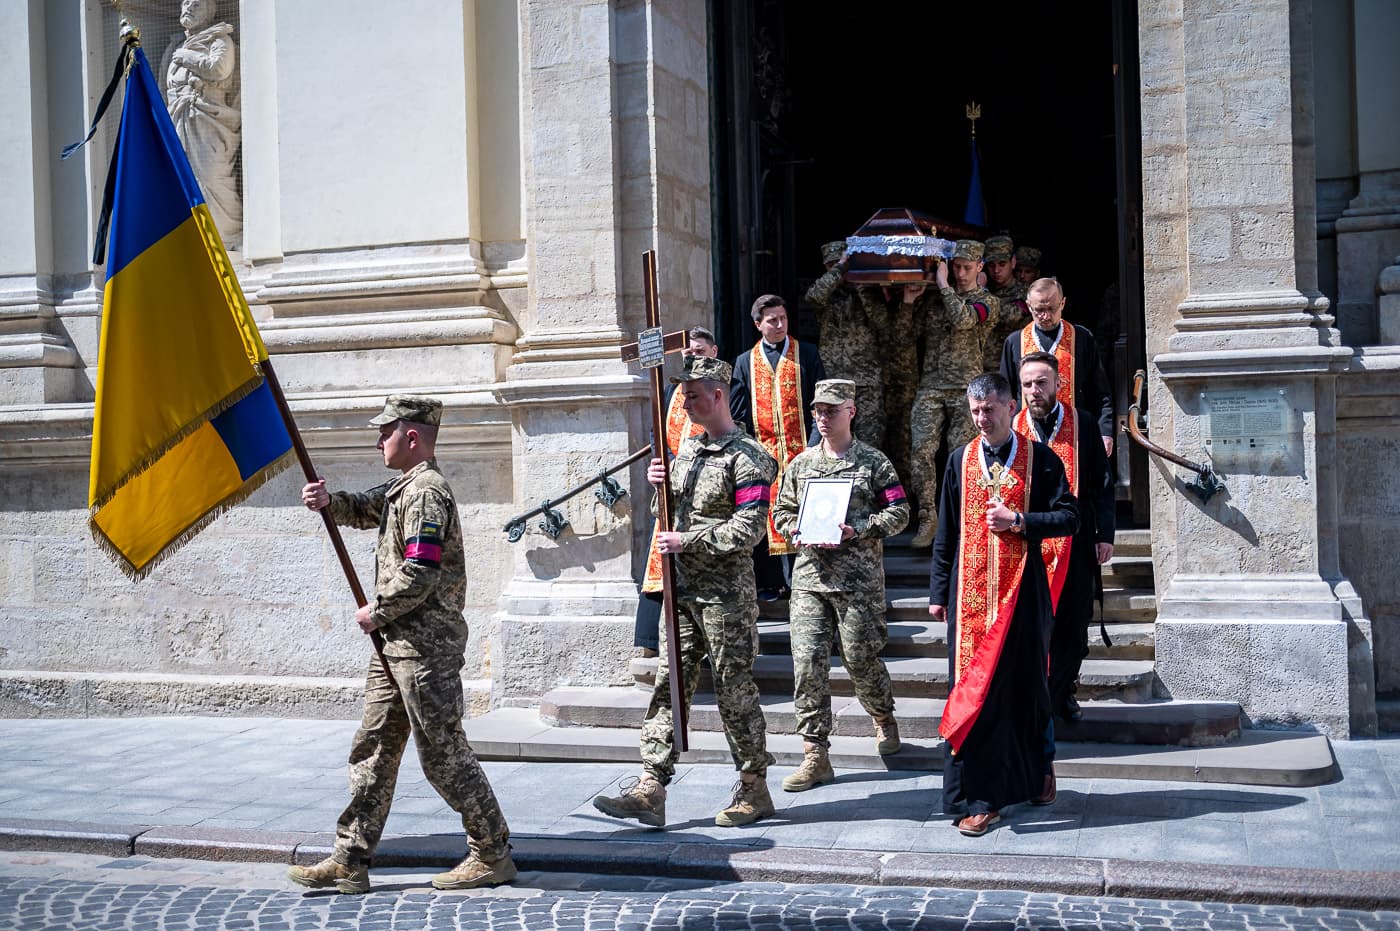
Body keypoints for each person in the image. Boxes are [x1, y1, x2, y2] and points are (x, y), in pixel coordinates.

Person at [287, 396, 514, 894]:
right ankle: (351, 857)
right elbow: (368, 507)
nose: (377, 441)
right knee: (373, 748)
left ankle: (492, 852)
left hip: (424, 650)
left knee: (442, 754)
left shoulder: (428, 492)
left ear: (412, 437)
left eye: (384, 432)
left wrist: (378, 609)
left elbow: (421, 569)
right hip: (396, 645)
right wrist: (332, 502)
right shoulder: (404, 488)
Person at [593, 356, 779, 828]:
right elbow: (671, 514)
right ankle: (651, 785)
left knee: (734, 689)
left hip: (724, 597)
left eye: (693, 393)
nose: (685, 401)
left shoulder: (749, 457)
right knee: (667, 685)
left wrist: (688, 541)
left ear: (717, 395)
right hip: (680, 591)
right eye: (684, 393)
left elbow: (749, 530)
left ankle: (754, 787)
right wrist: (660, 488)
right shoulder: (690, 450)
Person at [929, 373, 1078, 837]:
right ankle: (980, 798)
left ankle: (1037, 772)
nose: (982, 418)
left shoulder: (1040, 458)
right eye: (974, 411)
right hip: (970, 598)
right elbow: (946, 530)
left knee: (1025, 691)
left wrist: (1020, 520)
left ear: (1010, 406)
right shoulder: (960, 460)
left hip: (1022, 597)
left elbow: (1070, 518)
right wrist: (937, 592)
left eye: (989, 408)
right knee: (977, 696)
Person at [771, 379, 910, 790]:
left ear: (852, 410)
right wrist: (793, 527)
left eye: (831, 410)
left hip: (858, 583)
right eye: (818, 411)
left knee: (861, 659)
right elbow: (781, 509)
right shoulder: (801, 464)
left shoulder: (873, 462)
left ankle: (882, 715)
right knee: (807, 664)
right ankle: (815, 752)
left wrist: (860, 529)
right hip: (811, 579)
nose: (822, 418)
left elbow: (900, 511)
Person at [1013, 352, 1115, 723]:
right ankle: (1034, 696)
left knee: (1073, 624)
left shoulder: (1083, 423)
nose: (1034, 391)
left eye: (1041, 383)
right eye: (1027, 384)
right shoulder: (1013, 428)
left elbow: (1102, 484)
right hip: (1030, 544)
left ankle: (1063, 692)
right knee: (1033, 625)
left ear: (1058, 384)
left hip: (1078, 539)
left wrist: (1105, 534)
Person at [730, 294, 826, 600]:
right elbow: (738, 413)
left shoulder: (807, 354)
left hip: (803, 453)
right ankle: (773, 584)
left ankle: (806, 584)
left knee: (804, 515)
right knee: (765, 517)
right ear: (758, 324)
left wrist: (813, 448)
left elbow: (819, 404)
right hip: (764, 459)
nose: (780, 324)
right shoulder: (745, 362)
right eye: (772, 320)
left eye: (783, 318)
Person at [909, 240, 1002, 548]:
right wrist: (910, 303)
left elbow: (964, 320)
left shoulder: (988, 302)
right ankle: (927, 516)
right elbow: (906, 336)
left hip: (967, 388)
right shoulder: (935, 302)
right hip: (931, 384)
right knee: (921, 450)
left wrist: (942, 284)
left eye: (966, 268)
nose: (960, 274)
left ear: (979, 267)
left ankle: (964, 517)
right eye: (956, 267)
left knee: (960, 454)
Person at [634, 327, 719, 657]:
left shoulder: (722, 386)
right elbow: (658, 432)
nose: (692, 356)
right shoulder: (674, 391)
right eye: (688, 352)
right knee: (659, 558)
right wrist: (667, 464)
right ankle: (650, 641)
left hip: (709, 487)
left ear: (713, 352)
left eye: (698, 351)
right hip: (674, 487)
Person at [998, 277, 1115, 456]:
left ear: (1062, 303)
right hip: (1027, 433)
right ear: (1029, 306)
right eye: (1039, 310)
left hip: (1074, 435)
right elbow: (1005, 396)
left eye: (1051, 309)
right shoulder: (1015, 342)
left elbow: (1099, 391)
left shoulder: (1081, 338)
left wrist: (1105, 431)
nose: (1046, 316)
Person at [161, 0, 241, 249]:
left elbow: (219, 69)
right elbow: (165, 87)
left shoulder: (218, 40)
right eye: (185, 3)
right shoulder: (175, 46)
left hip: (211, 120)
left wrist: (188, 58)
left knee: (212, 175)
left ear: (209, 12)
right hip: (180, 118)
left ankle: (228, 235)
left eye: (196, 5)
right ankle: (195, 241)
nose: (188, 8)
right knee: (185, 178)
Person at [804, 242, 889, 449]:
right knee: (832, 440)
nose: (838, 271)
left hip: (866, 380)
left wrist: (860, 284)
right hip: (834, 380)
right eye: (831, 266)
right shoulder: (825, 297)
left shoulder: (868, 291)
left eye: (841, 265)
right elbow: (813, 296)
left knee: (870, 441)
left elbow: (882, 321)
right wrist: (840, 268)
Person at [982, 235, 1030, 371]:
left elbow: (1008, 317)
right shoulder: (986, 291)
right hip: (982, 367)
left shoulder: (1025, 293)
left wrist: (980, 292)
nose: (996, 270)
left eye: (1002, 264)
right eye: (991, 265)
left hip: (1013, 367)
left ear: (1013, 262)